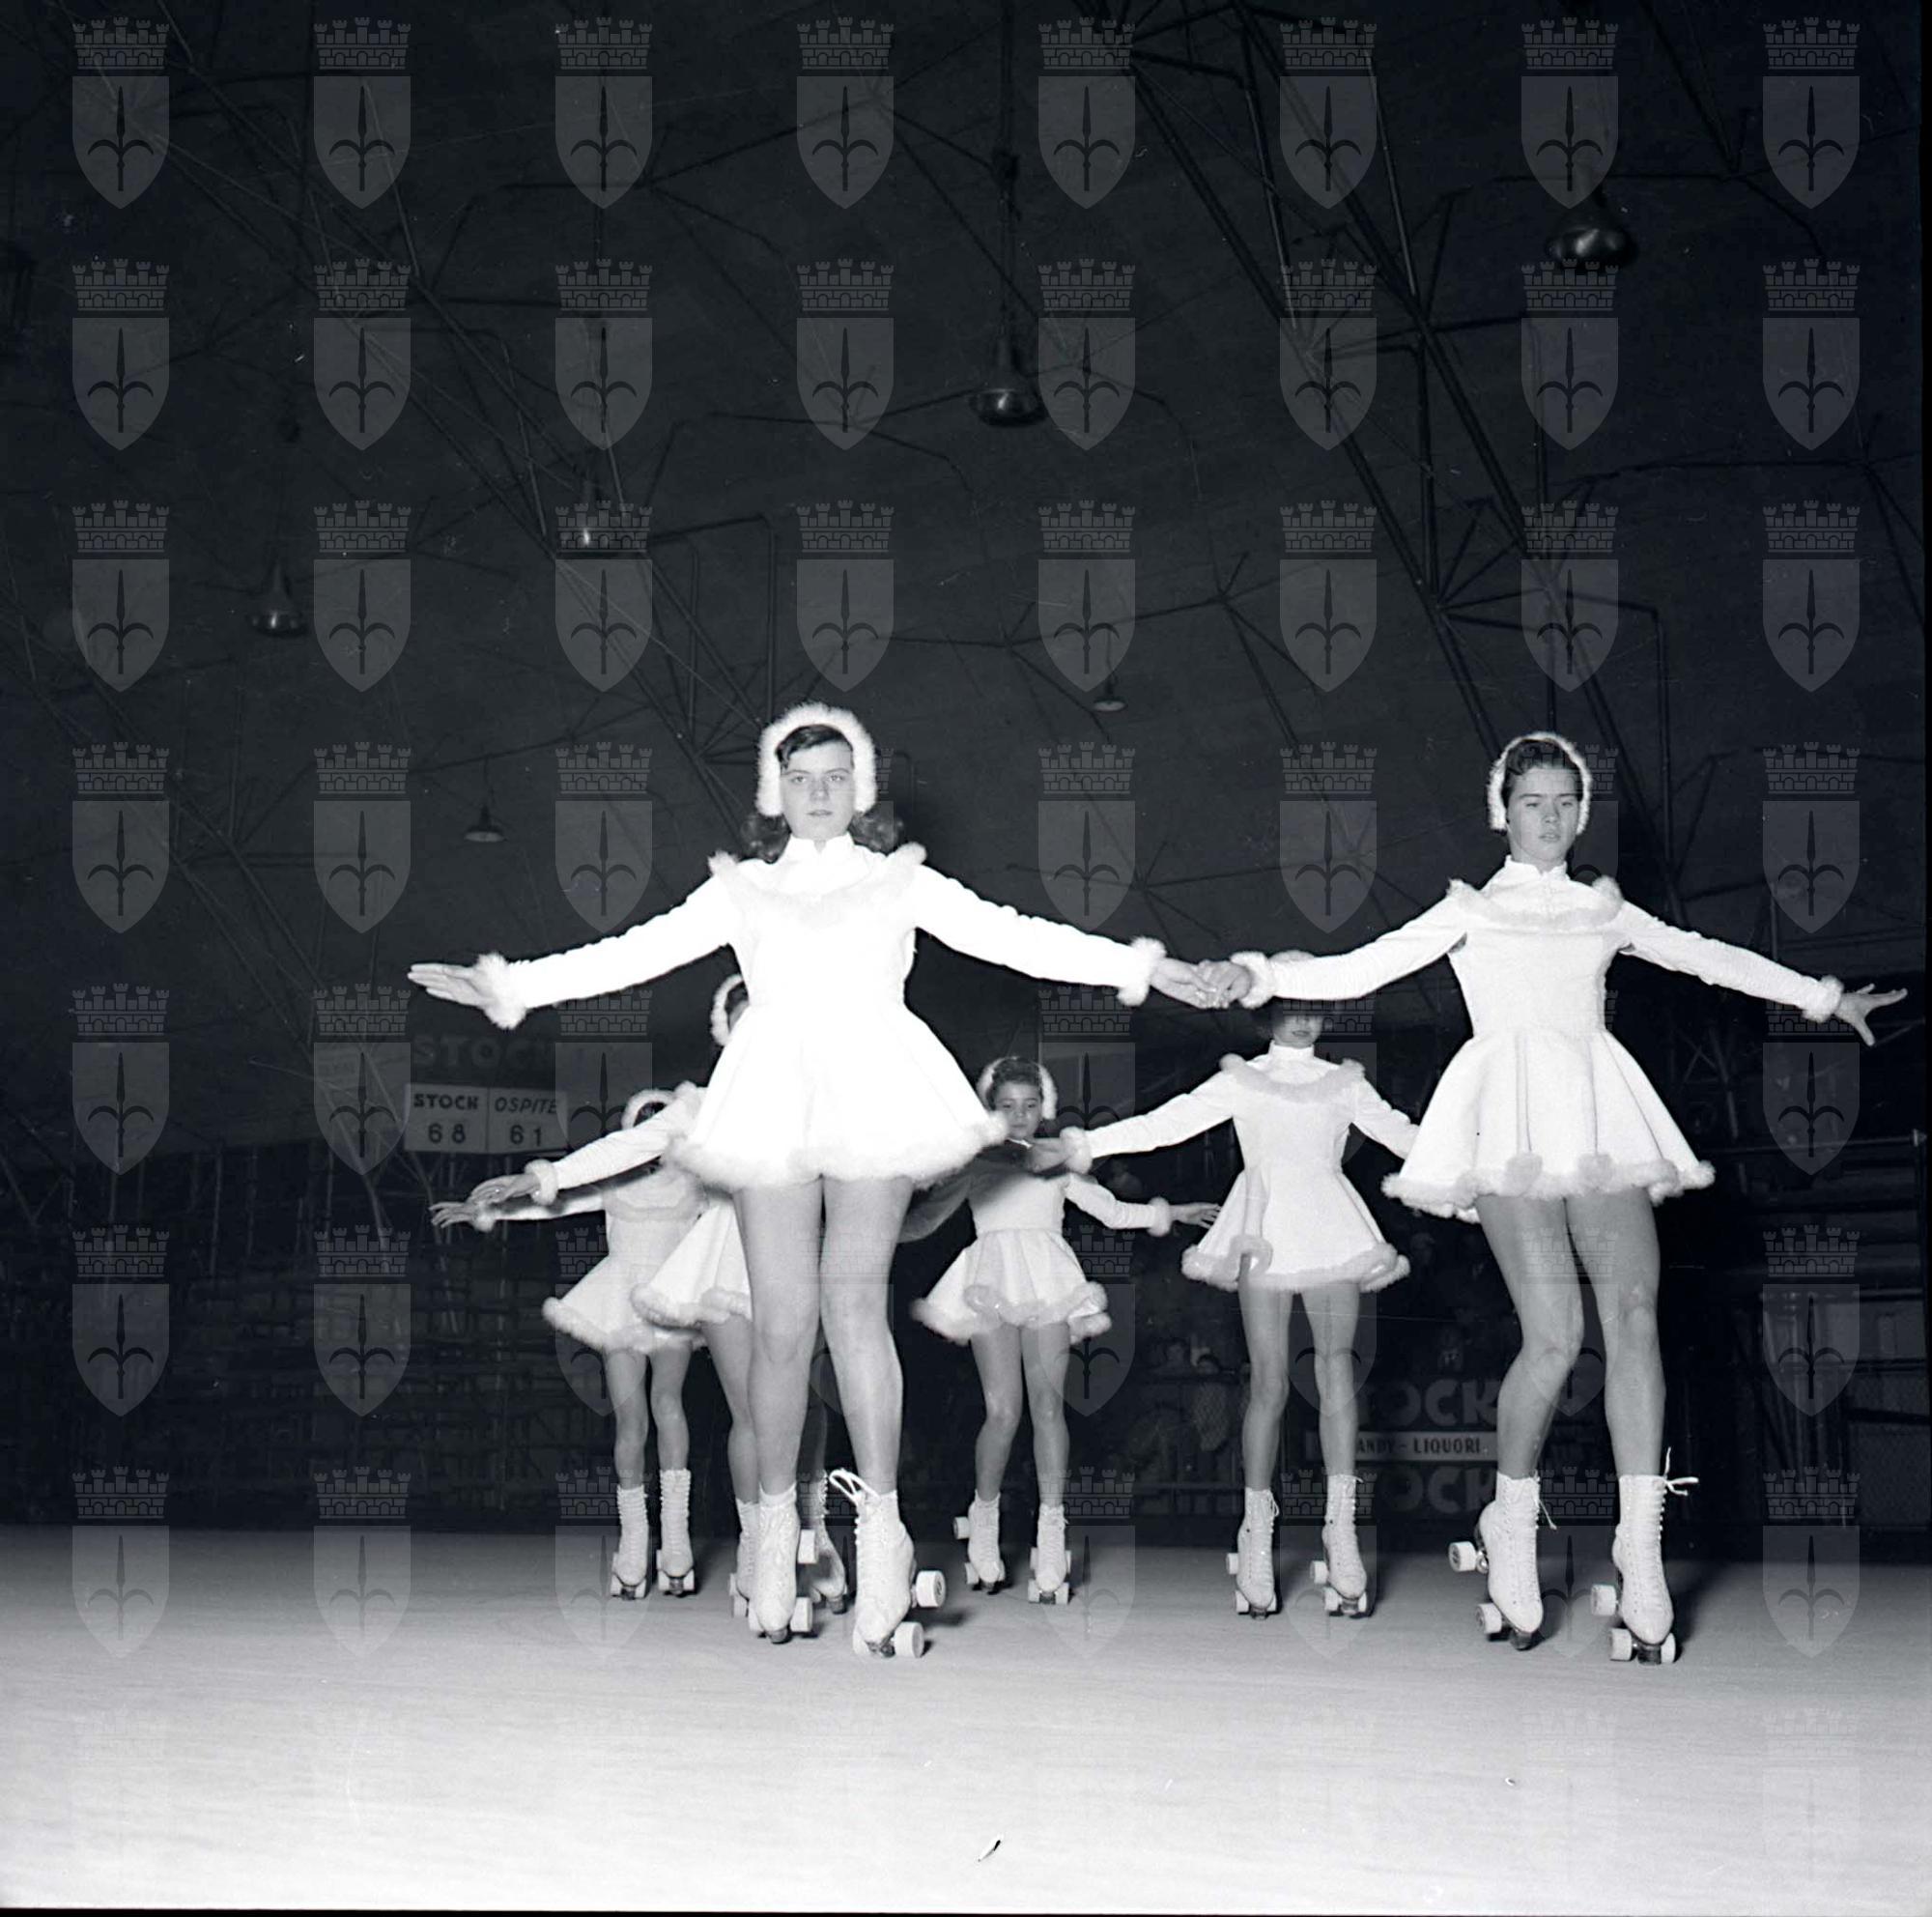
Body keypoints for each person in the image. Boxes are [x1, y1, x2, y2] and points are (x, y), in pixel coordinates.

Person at [411, 701, 1221, 1656]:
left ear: (862, 787)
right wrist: (512, 984)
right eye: (800, 779)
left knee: (854, 1309)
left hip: (875, 1091)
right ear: (775, 793)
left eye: (836, 776)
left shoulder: (898, 881)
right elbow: (635, 949)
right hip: (770, 1100)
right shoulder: (743, 891)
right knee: (782, 1328)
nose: (819, 792)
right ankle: (769, 1536)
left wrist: (1145, 967)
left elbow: (1016, 933)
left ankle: (881, 1539)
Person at [1195, 731, 1902, 1658]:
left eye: (1567, 802)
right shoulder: (1469, 911)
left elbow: (1704, 954)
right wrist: (1261, 974)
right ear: (1503, 811)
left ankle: (1639, 1549)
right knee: (1558, 1338)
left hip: (1599, 1117)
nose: (1552, 818)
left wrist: (1824, 998)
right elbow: (1360, 966)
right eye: (1533, 802)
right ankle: (1511, 1520)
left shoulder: (1602, 909)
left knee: (1636, 1315)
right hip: (1507, 1123)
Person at [1033, 1001, 1417, 1619]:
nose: (1303, 1022)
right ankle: (1256, 1534)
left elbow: (1406, 1136)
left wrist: (1478, 1164)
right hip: (1262, 1224)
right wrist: (1085, 1144)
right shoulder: (1244, 1078)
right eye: (1290, 1011)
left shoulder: (1344, 1082)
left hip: (1332, 1225)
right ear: (1267, 1017)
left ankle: (1340, 1531)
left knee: (1336, 1368)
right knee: (1268, 1381)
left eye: (1313, 1011)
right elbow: (1167, 1122)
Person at [900, 1057, 1216, 1601]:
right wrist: (859, 1226)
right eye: (1007, 1106)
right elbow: (926, 1219)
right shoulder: (973, 1163)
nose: (1019, 1115)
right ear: (990, 1110)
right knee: (1003, 1412)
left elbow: (1112, 1212)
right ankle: (985, 1520)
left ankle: (1051, 1531)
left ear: (1044, 1108)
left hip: (1048, 1280)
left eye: (1029, 1105)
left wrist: (1172, 1212)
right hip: (989, 1280)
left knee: (1048, 1407)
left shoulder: (1059, 1160)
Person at [430, 1086, 705, 1601]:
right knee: (631, 1420)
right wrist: (488, 1211)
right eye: (643, 1124)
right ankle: (634, 1540)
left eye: (660, 1123)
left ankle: (676, 1538)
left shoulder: (697, 1181)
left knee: (668, 1404)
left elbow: (734, 1220)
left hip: (671, 1297)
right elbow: (556, 1204)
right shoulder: (616, 1179)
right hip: (620, 1300)